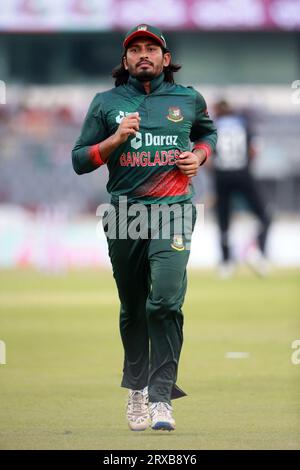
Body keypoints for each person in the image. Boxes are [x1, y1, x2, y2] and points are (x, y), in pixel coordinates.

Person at [72, 24, 217, 431]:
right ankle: (136, 389)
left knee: (166, 302)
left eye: (151, 48)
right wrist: (114, 140)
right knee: (134, 307)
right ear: (125, 61)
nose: (143, 55)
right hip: (124, 214)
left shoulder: (188, 99)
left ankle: (161, 399)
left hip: (173, 210)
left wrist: (200, 156)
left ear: (166, 59)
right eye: (135, 49)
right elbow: (80, 160)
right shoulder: (105, 103)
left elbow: (207, 133)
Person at [212, 100, 271, 277]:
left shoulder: (214, 126)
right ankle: (257, 252)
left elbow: (207, 153)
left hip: (222, 175)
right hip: (243, 174)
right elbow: (254, 150)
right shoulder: (244, 124)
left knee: (223, 219)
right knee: (264, 215)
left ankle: (226, 262)